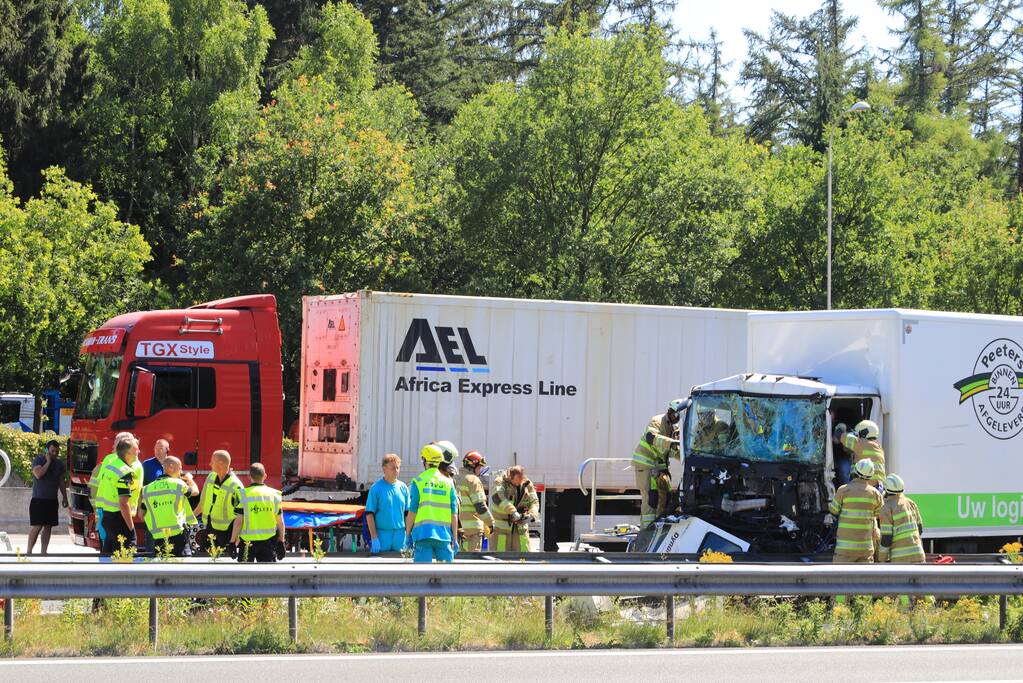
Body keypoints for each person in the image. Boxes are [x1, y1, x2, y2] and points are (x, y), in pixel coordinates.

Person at [632, 399, 688, 527]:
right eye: (675, 415)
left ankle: (659, 527)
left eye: (679, 416)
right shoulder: (657, 421)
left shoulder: (674, 428)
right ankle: (646, 532)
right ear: (670, 411)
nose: (677, 418)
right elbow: (651, 438)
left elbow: (675, 450)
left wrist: (688, 457)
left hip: (660, 467)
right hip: (646, 466)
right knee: (651, 500)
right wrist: (672, 443)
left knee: (666, 498)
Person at [405, 443, 458, 563]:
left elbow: (412, 511)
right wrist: (454, 537)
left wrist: (407, 534)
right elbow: (454, 513)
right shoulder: (449, 483)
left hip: (423, 535)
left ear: (425, 461)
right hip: (444, 536)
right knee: (446, 577)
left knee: (422, 575)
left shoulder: (418, 482)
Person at [140, 456, 199, 557]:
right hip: (178, 535)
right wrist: (189, 479)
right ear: (171, 467)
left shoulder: (147, 489)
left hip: (158, 537)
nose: (181, 472)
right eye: (180, 468)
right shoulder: (178, 484)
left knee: (162, 568)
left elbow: (141, 515)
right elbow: (195, 491)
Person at [827, 458, 883, 563]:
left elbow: (833, 510)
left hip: (845, 550)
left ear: (855, 471)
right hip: (865, 549)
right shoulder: (875, 494)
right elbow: (880, 515)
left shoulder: (843, 490)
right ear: (870, 475)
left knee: (841, 578)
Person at [95, 433, 140, 556]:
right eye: (136, 449)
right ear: (127, 453)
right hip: (119, 520)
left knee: (108, 556)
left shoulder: (112, 466)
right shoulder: (125, 473)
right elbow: (123, 503)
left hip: (108, 517)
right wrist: (131, 529)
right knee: (123, 558)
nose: (138, 451)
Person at [230, 462, 285, 563]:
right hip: (268, 542)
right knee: (267, 575)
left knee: (245, 576)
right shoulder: (275, 495)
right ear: (265, 476)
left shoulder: (242, 495)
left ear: (249, 476)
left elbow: (238, 522)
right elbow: (280, 522)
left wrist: (232, 542)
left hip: (247, 543)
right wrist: (281, 541)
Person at [195, 449, 244, 555]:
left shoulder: (237, 486)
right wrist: (189, 519)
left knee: (224, 566)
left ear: (221, 464)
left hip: (226, 532)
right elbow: (202, 502)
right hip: (209, 527)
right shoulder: (211, 477)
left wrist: (236, 538)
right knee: (204, 559)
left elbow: (243, 514)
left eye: (212, 461)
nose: (209, 464)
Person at [27, 440, 68, 555]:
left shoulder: (59, 464)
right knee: (38, 525)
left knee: (48, 526)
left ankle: (44, 552)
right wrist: (48, 462)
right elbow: (38, 474)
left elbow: (61, 481)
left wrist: (65, 497)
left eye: (57, 451)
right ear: (47, 450)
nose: (54, 453)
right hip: (39, 500)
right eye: (52, 451)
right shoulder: (39, 460)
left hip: (52, 500)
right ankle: (29, 551)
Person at [365, 454, 410, 554]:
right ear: (384, 469)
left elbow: (407, 514)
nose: (396, 471)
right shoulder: (376, 488)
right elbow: (369, 514)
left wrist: (408, 535)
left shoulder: (403, 488)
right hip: (382, 534)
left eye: (398, 468)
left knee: (401, 567)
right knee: (381, 567)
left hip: (400, 535)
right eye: (393, 468)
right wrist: (374, 537)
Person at [490, 465, 539, 552]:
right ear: (510, 477)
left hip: (521, 529)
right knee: (500, 557)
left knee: (523, 557)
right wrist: (513, 511)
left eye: (519, 483)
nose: (517, 485)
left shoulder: (527, 484)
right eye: (515, 483)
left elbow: (534, 502)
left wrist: (532, 515)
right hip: (502, 530)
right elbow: (498, 497)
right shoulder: (500, 482)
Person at [878, 474, 926, 563]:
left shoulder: (886, 508)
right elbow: (920, 529)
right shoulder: (911, 503)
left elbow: (886, 538)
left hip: (900, 558)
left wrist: (881, 559)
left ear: (886, 490)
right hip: (918, 554)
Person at [455, 450, 494, 552]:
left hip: (457, 529)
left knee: (458, 562)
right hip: (472, 532)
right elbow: (480, 506)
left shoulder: (455, 478)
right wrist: (491, 523)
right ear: (473, 466)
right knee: (470, 564)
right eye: (479, 467)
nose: (480, 470)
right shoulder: (473, 480)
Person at [834, 420, 885, 484]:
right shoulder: (879, 448)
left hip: (865, 485)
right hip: (878, 486)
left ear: (863, 433)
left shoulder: (860, 444)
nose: (857, 436)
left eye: (857, 434)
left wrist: (841, 426)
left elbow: (840, 436)